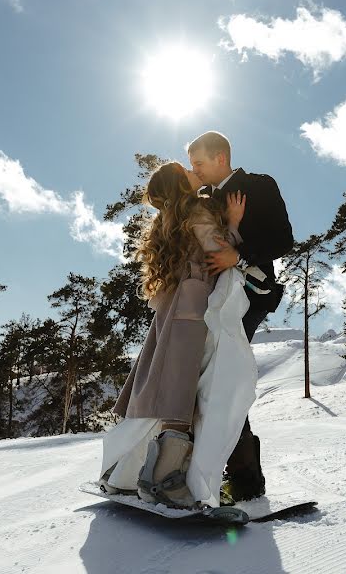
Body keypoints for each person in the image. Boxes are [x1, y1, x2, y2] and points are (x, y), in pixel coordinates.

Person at [100, 161, 251, 509]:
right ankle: (165, 482)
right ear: (181, 183)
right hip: (192, 311)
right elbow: (217, 250)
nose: (192, 170)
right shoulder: (196, 210)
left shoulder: (168, 219)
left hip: (174, 310)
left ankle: (137, 474)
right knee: (183, 392)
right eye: (186, 170)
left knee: (172, 388)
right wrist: (235, 224)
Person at [187, 131, 294, 502]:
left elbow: (284, 240)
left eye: (198, 162)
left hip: (249, 295)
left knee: (224, 379)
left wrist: (241, 257)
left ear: (220, 157)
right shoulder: (202, 198)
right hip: (207, 299)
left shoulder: (259, 186)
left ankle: (246, 481)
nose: (194, 170)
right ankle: (199, 471)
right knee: (203, 382)